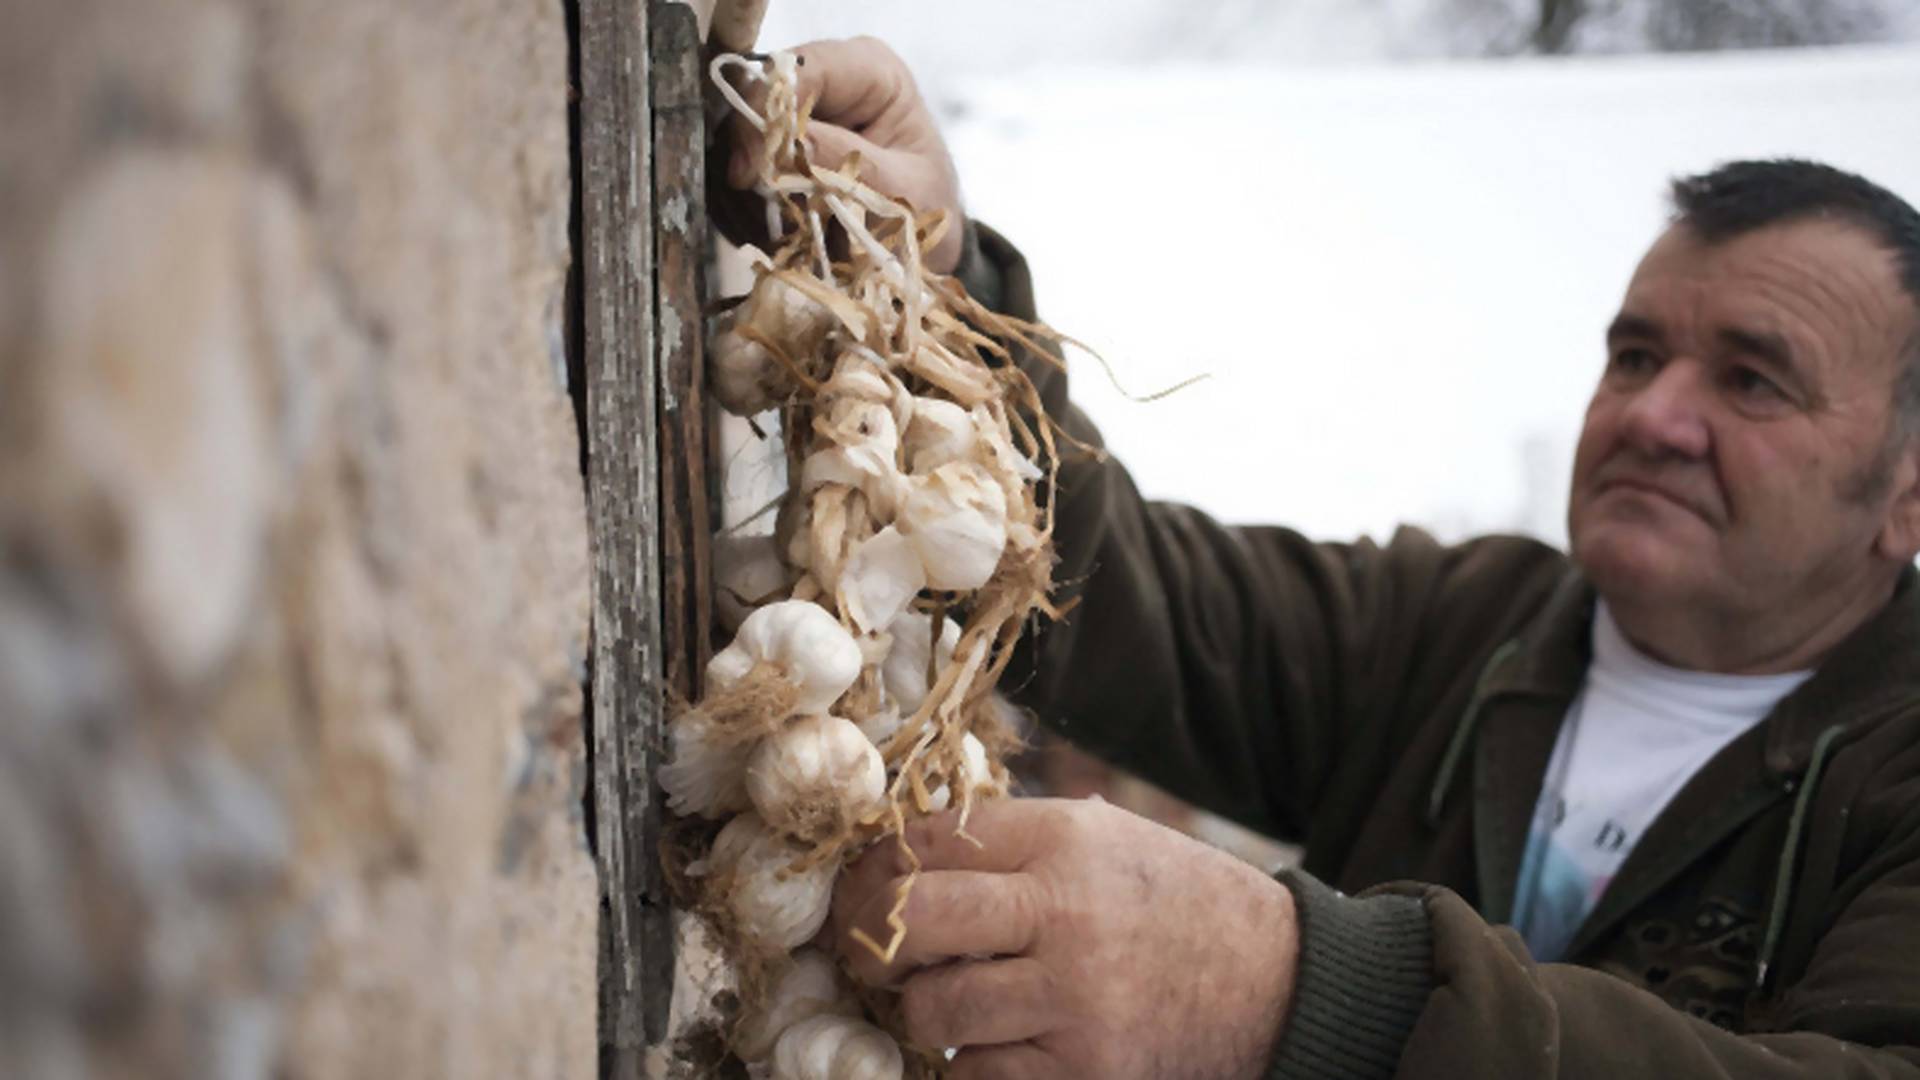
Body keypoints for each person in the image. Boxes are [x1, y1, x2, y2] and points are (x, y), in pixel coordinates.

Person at [723, 37, 1920, 1079]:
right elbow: (1128, 594)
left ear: (1907, 494)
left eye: (1753, 379)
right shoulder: (1464, 622)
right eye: (1636, 356)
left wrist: (1297, 998)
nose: (1656, 415)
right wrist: (938, 284)